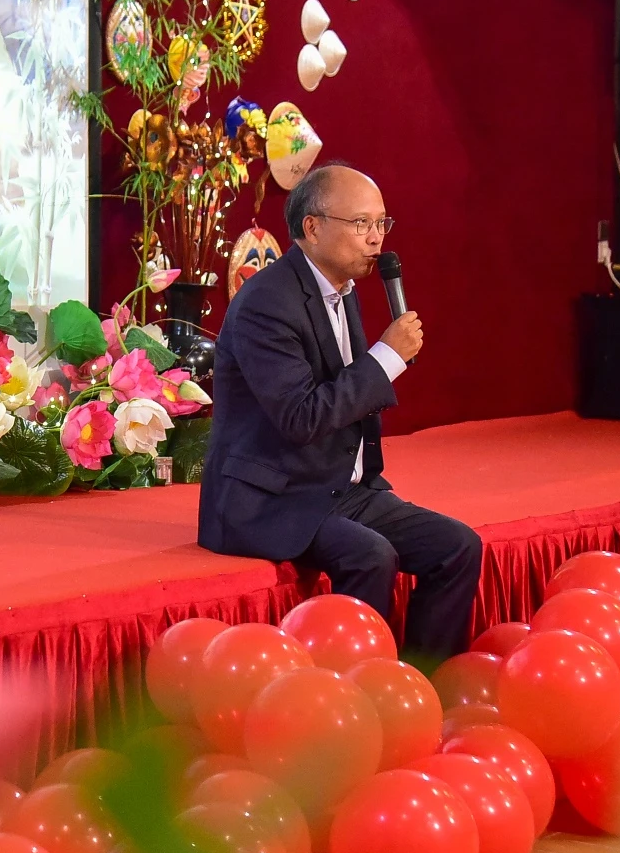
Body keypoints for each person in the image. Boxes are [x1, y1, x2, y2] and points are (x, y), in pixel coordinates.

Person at [198, 164, 482, 661]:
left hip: (336, 487)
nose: (375, 240)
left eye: (381, 224)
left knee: (457, 546)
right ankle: (351, 693)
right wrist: (386, 357)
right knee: (371, 555)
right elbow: (302, 417)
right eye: (361, 225)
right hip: (270, 497)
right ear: (313, 227)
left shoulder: (340, 290)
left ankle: (423, 683)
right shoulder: (266, 302)